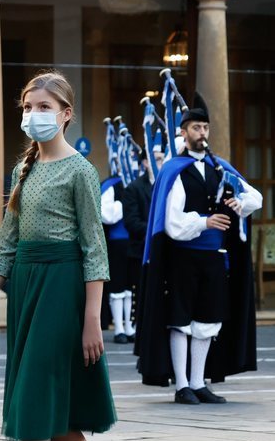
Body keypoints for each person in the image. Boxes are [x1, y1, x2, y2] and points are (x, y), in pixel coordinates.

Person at [0, 71, 135, 441]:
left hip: (62, 291)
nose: (33, 116)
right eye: (27, 107)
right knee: (44, 407)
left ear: (66, 114)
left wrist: (92, 318)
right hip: (26, 290)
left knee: (36, 407)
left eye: (43, 107)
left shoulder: (81, 171)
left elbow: (94, 248)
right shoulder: (23, 171)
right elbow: (5, 246)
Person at [135, 93, 261, 404]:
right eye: (195, 128)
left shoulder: (220, 167)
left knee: (207, 319)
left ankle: (198, 381)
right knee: (181, 319)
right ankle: (181, 385)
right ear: (183, 132)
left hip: (214, 258)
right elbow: (172, 221)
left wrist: (238, 203)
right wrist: (205, 222)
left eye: (205, 127)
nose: (202, 133)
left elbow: (254, 197)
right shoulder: (174, 169)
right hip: (183, 257)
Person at [122, 146, 158, 319]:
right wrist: (159, 230)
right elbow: (131, 222)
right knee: (145, 304)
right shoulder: (133, 188)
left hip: (166, 251)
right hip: (141, 252)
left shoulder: (172, 185)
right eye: (157, 159)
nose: (161, 162)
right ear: (145, 163)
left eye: (162, 158)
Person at [99, 167, 134, 343]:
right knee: (118, 286)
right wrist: (123, 203)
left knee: (130, 287)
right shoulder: (113, 185)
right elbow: (107, 215)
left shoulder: (138, 181)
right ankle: (119, 327)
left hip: (136, 241)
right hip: (117, 242)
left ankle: (129, 326)